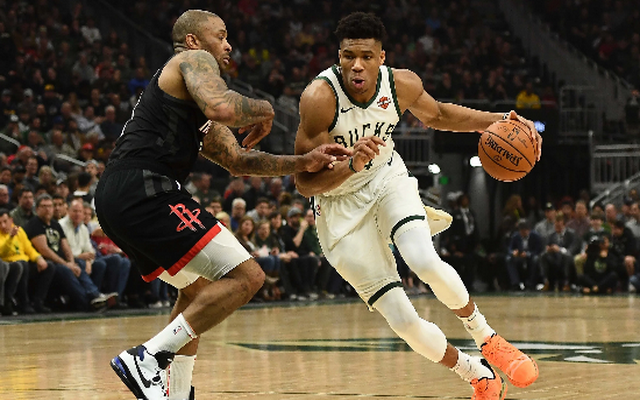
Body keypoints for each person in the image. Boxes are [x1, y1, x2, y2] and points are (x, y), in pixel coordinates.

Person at [94, 10, 349, 400]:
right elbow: (223, 107)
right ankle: (148, 357)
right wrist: (266, 109)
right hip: (144, 187)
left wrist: (304, 162)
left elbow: (238, 161)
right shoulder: (192, 60)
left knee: (196, 293)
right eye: (221, 35)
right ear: (193, 40)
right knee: (249, 276)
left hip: (119, 196)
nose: (229, 45)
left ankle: (177, 394)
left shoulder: (191, 99)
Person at [293, 13, 541, 399]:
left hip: (385, 178)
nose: (356, 65)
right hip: (338, 206)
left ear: (381, 58)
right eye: (348, 56)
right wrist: (350, 165)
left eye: (366, 56)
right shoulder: (319, 99)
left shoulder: (401, 84)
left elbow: (439, 114)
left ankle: (487, 338)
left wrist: (498, 121)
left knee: (424, 260)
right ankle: (476, 373)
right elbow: (304, 182)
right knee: (404, 321)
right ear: (338, 57)